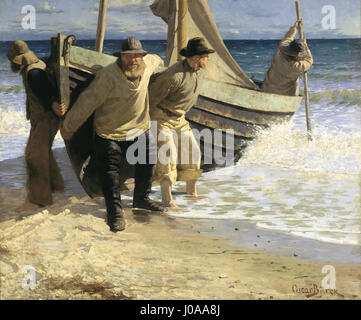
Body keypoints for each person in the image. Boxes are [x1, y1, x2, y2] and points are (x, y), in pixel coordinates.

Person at [60, 37, 164, 232]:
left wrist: (162, 62)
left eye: (137, 56)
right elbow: (86, 103)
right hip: (109, 132)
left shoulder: (146, 65)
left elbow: (156, 58)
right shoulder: (108, 76)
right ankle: (114, 211)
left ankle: (141, 199)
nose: (134, 60)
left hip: (138, 128)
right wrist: (68, 127)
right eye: (128, 56)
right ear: (121, 57)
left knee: (149, 158)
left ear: (142, 57)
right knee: (110, 172)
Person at [149, 37, 215, 208]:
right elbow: (151, 98)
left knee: (193, 151)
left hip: (180, 119)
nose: (207, 59)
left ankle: (191, 192)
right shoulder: (173, 76)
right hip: (161, 117)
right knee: (168, 153)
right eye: (205, 56)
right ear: (195, 58)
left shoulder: (201, 72)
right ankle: (167, 199)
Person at [7, 40, 65, 212]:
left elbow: (46, 93)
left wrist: (54, 103)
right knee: (42, 151)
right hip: (42, 118)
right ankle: (56, 187)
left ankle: (39, 200)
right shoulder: (37, 63)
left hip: (45, 119)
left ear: (17, 60)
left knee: (33, 155)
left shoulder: (33, 74)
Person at [262, 20, 313, 96]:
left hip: (267, 89)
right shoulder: (296, 67)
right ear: (297, 55)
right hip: (286, 95)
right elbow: (309, 60)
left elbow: (288, 39)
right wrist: (305, 45)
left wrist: (295, 28)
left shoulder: (280, 52)